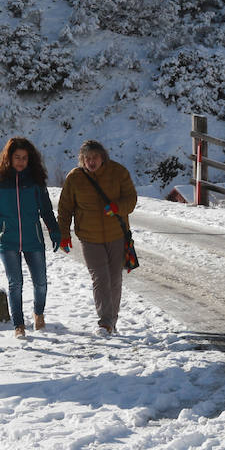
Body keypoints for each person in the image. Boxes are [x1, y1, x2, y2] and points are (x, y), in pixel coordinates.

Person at [57, 140, 137, 336]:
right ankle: (105, 322)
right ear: (82, 160)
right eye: (87, 158)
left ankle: (112, 320)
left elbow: (131, 199)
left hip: (116, 235)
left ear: (103, 157)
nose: (91, 162)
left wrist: (117, 207)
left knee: (115, 278)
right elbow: (65, 208)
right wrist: (64, 235)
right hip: (89, 237)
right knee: (100, 278)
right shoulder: (75, 178)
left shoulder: (118, 172)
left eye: (94, 158)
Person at [0, 137, 60, 338]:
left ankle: (39, 313)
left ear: (30, 160)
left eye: (24, 158)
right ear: (8, 158)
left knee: (41, 281)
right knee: (15, 283)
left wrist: (54, 230)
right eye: (17, 157)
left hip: (33, 238)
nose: (20, 161)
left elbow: (45, 209)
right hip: (7, 238)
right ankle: (18, 325)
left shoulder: (35, 181)